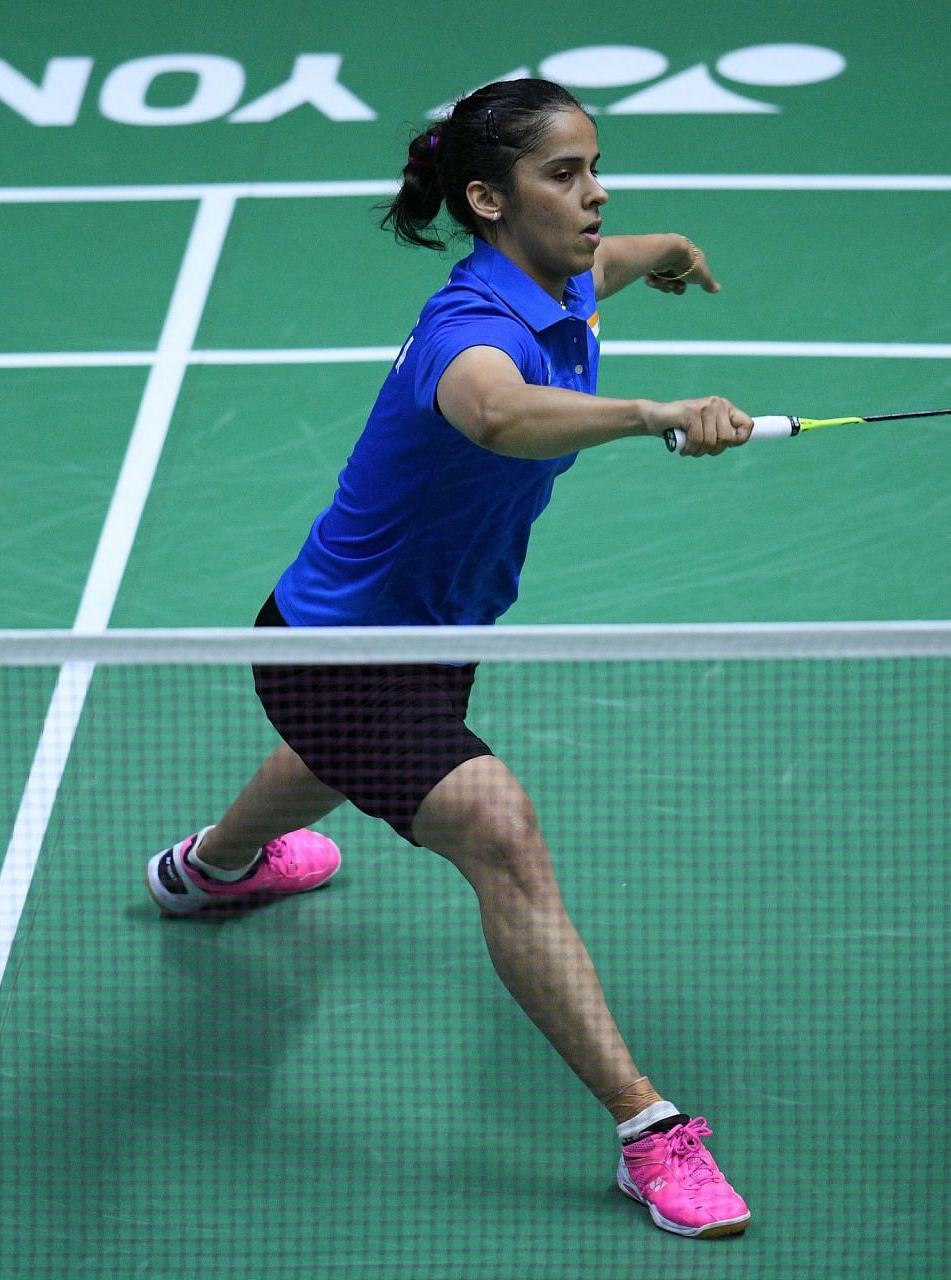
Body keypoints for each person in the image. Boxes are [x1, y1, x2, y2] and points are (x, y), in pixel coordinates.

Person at [142, 78, 754, 1238]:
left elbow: (602, 265)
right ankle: (647, 1128)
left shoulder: (561, 271)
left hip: (431, 630)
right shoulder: (468, 333)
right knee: (497, 826)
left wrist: (661, 250)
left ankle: (211, 869)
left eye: (594, 166)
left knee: (344, 765)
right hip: (333, 648)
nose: (596, 192)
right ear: (486, 199)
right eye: (564, 174)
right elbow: (498, 415)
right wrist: (648, 412)